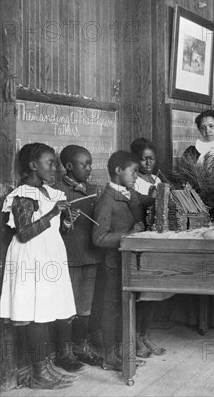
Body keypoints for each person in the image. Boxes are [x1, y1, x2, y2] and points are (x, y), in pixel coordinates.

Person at [1, 143, 79, 389]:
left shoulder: (48, 192)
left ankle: (45, 367)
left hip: (48, 256)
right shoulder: (23, 194)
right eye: (50, 162)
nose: (54, 167)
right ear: (33, 166)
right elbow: (24, 233)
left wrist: (66, 222)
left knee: (44, 315)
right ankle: (38, 372)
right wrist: (53, 213)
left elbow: (56, 230)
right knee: (35, 316)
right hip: (31, 258)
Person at [92, 151, 150, 371]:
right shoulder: (106, 200)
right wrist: (128, 234)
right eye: (133, 171)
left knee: (125, 307)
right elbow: (98, 238)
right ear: (118, 171)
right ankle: (110, 356)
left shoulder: (129, 194)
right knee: (112, 309)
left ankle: (123, 352)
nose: (137, 175)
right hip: (113, 264)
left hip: (127, 263)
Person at [54, 145, 103, 368]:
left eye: (90, 163)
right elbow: (50, 231)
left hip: (90, 256)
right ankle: (64, 354)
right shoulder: (56, 191)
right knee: (67, 306)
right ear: (69, 166)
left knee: (85, 305)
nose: (89, 168)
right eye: (84, 164)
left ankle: (80, 347)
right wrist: (65, 221)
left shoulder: (94, 189)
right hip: (69, 258)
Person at [130, 138, 169, 358]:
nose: (147, 162)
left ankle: (146, 335)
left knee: (154, 292)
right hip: (142, 238)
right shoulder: (135, 181)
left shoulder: (156, 178)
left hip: (157, 239)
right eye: (143, 158)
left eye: (151, 158)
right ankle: (135, 337)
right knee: (142, 293)